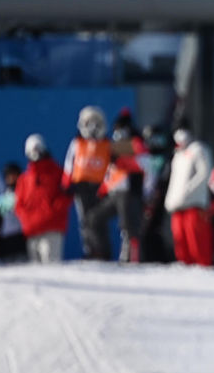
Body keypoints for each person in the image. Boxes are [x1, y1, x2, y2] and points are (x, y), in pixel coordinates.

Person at [14, 134, 72, 264]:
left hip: (52, 230)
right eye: (32, 150)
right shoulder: (24, 179)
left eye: (38, 149)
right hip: (32, 231)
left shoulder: (57, 172)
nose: (35, 153)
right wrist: (27, 220)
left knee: (51, 269)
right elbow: (19, 204)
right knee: (36, 274)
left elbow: (66, 195)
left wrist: (52, 213)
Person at [164, 119, 214, 266]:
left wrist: (187, 191)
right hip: (177, 205)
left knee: (197, 243)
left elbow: (205, 173)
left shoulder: (199, 149)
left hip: (194, 204)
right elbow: (174, 181)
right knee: (181, 244)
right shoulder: (178, 155)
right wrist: (170, 199)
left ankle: (203, 271)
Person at [63, 106, 111, 259]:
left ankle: (103, 250)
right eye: (89, 123)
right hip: (81, 186)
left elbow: (112, 167)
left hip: (100, 187)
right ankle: (90, 250)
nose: (92, 128)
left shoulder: (107, 144)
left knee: (99, 219)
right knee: (84, 220)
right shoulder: (77, 143)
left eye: (96, 123)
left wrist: (110, 185)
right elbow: (69, 163)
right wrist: (66, 182)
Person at [90, 134, 144, 262]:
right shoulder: (109, 158)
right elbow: (108, 178)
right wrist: (101, 190)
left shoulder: (133, 150)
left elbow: (139, 162)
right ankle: (101, 252)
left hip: (126, 193)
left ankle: (129, 256)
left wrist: (120, 159)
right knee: (94, 218)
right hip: (112, 194)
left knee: (127, 225)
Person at [139, 124, 174, 263]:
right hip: (145, 198)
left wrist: (158, 193)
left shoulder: (166, 160)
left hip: (159, 198)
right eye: (152, 140)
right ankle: (149, 258)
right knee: (145, 231)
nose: (155, 144)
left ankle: (160, 259)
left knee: (153, 230)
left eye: (158, 140)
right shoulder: (144, 158)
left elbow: (164, 179)